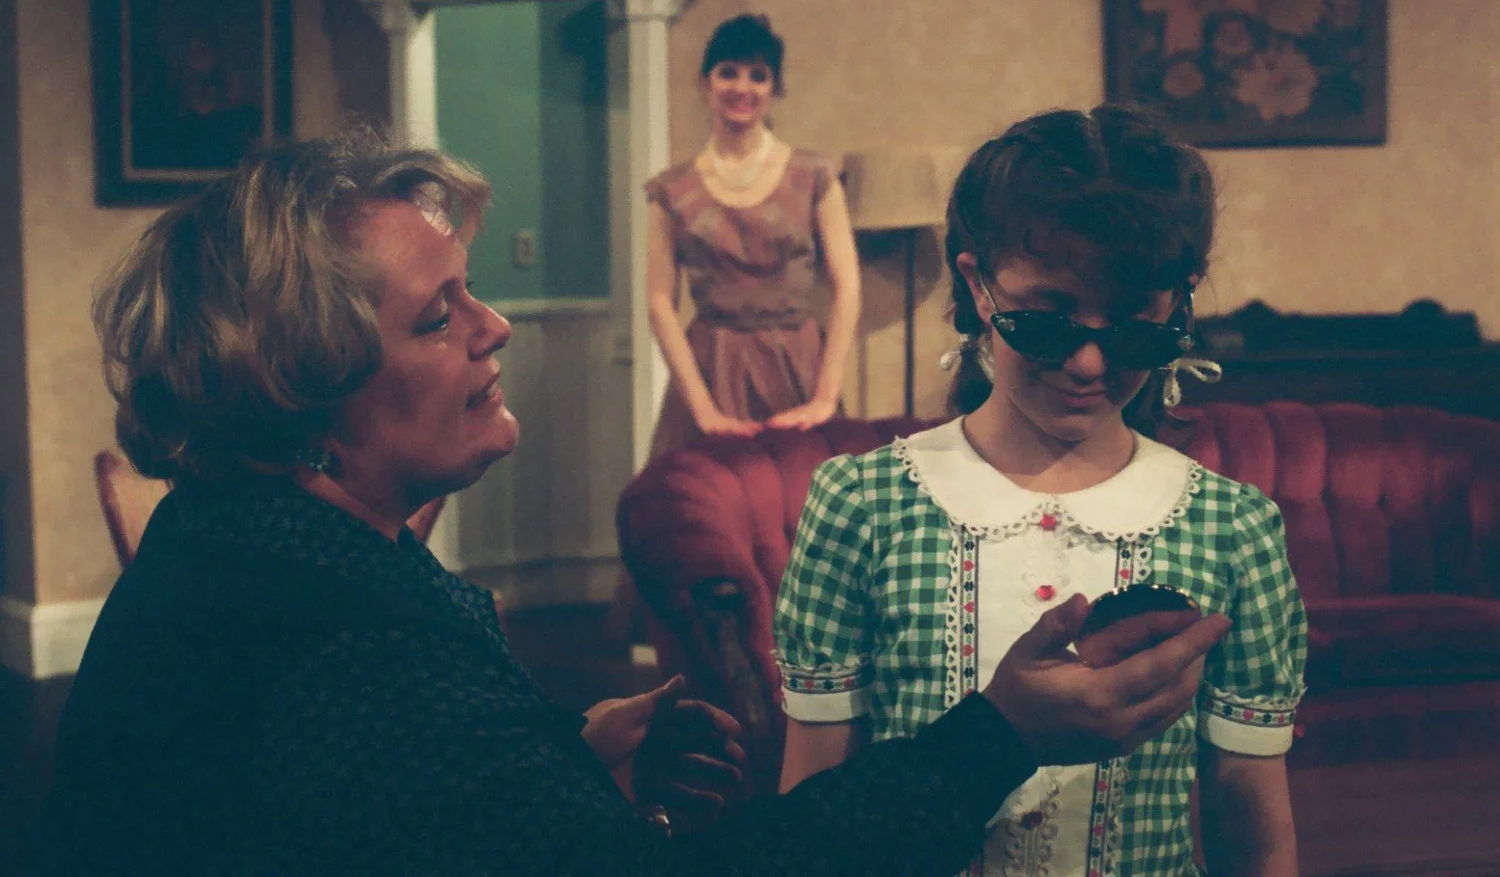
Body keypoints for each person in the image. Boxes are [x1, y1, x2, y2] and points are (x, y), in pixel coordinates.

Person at [33, 131, 1230, 877]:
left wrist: (558, 760)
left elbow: (382, 817)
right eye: (438, 314)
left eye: (474, 291)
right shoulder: (349, 640)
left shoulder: (244, 541)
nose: (495, 327)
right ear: (303, 382)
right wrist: (1005, 735)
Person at [775, 106, 1308, 877]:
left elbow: (1252, 822)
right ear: (978, 287)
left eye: (1131, 330)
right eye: (1050, 320)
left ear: (1178, 307)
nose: (1089, 364)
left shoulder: (1233, 528)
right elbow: (815, 802)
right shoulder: (861, 505)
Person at [644, 13, 860, 455]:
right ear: (706, 83)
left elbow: (848, 287)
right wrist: (702, 410)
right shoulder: (670, 190)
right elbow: (659, 302)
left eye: (757, 76)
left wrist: (823, 397)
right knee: (703, 504)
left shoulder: (814, 176)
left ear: (773, 89)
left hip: (796, 364)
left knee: (805, 497)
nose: (742, 87)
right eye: (728, 73)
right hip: (711, 368)